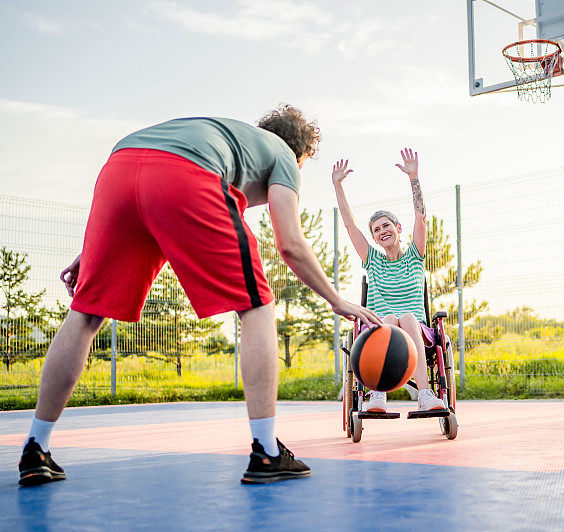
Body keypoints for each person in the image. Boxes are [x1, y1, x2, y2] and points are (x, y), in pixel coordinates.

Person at [18, 106, 381, 487]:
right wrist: (336, 299)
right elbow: (289, 242)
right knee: (256, 303)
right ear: (302, 153)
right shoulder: (284, 155)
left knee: (86, 312)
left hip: (119, 169)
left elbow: (144, 177)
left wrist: (93, 251)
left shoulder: (232, 136)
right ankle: (267, 451)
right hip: (183, 174)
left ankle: (36, 448)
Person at [332, 149, 447, 413]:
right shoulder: (372, 260)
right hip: (378, 333)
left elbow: (421, 217)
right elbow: (350, 226)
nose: (382, 231)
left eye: (386, 226)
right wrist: (338, 186)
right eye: (376, 229)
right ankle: (377, 396)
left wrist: (414, 178)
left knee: (406, 318)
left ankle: (426, 394)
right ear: (373, 238)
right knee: (389, 320)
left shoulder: (415, 257)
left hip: (416, 332)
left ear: (398, 229)